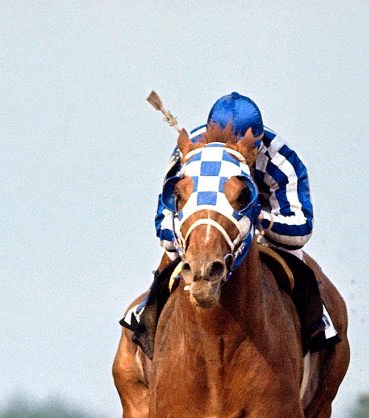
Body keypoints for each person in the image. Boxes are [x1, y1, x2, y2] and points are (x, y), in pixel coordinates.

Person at [127, 92, 338, 354]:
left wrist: (257, 219)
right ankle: (146, 316)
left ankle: (317, 323)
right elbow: (165, 225)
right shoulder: (190, 154)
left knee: (299, 264)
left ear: (258, 145)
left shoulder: (282, 162)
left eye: (246, 152)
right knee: (169, 258)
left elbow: (301, 228)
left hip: (266, 227)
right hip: (209, 227)